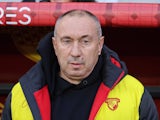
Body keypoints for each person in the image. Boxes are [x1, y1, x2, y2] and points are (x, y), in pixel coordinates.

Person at [1, 9, 159, 120]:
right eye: (67, 41)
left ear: (99, 45)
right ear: (55, 45)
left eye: (85, 41)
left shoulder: (134, 93)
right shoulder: (21, 93)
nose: (75, 52)